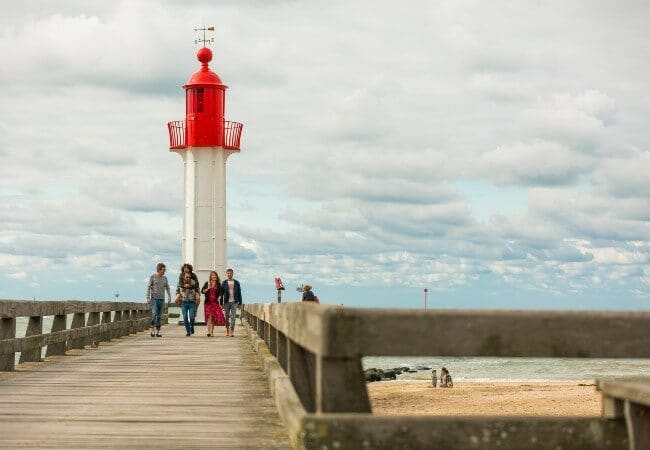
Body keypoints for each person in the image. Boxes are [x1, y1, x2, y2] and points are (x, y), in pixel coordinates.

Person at [146, 262, 172, 338]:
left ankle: (158, 331)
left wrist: (169, 296)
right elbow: (148, 287)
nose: (165, 271)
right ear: (159, 270)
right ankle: (152, 330)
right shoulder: (153, 277)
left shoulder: (165, 278)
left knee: (160, 316)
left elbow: (167, 287)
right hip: (154, 298)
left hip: (162, 299)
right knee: (154, 314)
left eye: (165, 270)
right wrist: (147, 297)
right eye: (164, 270)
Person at [201, 271, 225, 337]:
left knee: (213, 317)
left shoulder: (219, 284)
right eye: (212, 275)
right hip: (208, 302)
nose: (214, 276)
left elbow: (221, 293)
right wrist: (208, 288)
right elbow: (202, 291)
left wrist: (219, 297)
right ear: (210, 276)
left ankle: (212, 332)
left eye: (215, 275)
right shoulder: (207, 283)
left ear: (216, 276)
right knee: (209, 316)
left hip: (214, 302)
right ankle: (209, 332)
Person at [176, 271, 200, 336]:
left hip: (192, 302)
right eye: (187, 277)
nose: (188, 278)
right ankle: (188, 331)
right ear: (184, 277)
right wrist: (179, 304)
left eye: (189, 277)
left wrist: (197, 296)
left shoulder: (193, 282)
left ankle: (192, 326)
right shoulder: (180, 283)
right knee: (185, 317)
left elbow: (197, 289)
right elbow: (177, 291)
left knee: (192, 317)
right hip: (184, 302)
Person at [221, 268, 242, 337]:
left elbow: (239, 293)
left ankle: (232, 331)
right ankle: (227, 330)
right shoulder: (224, 283)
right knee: (226, 317)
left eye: (230, 273)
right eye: (228, 273)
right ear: (226, 274)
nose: (229, 274)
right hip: (226, 302)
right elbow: (221, 294)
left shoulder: (236, 282)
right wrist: (221, 303)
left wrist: (240, 303)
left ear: (232, 274)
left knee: (233, 317)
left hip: (234, 301)